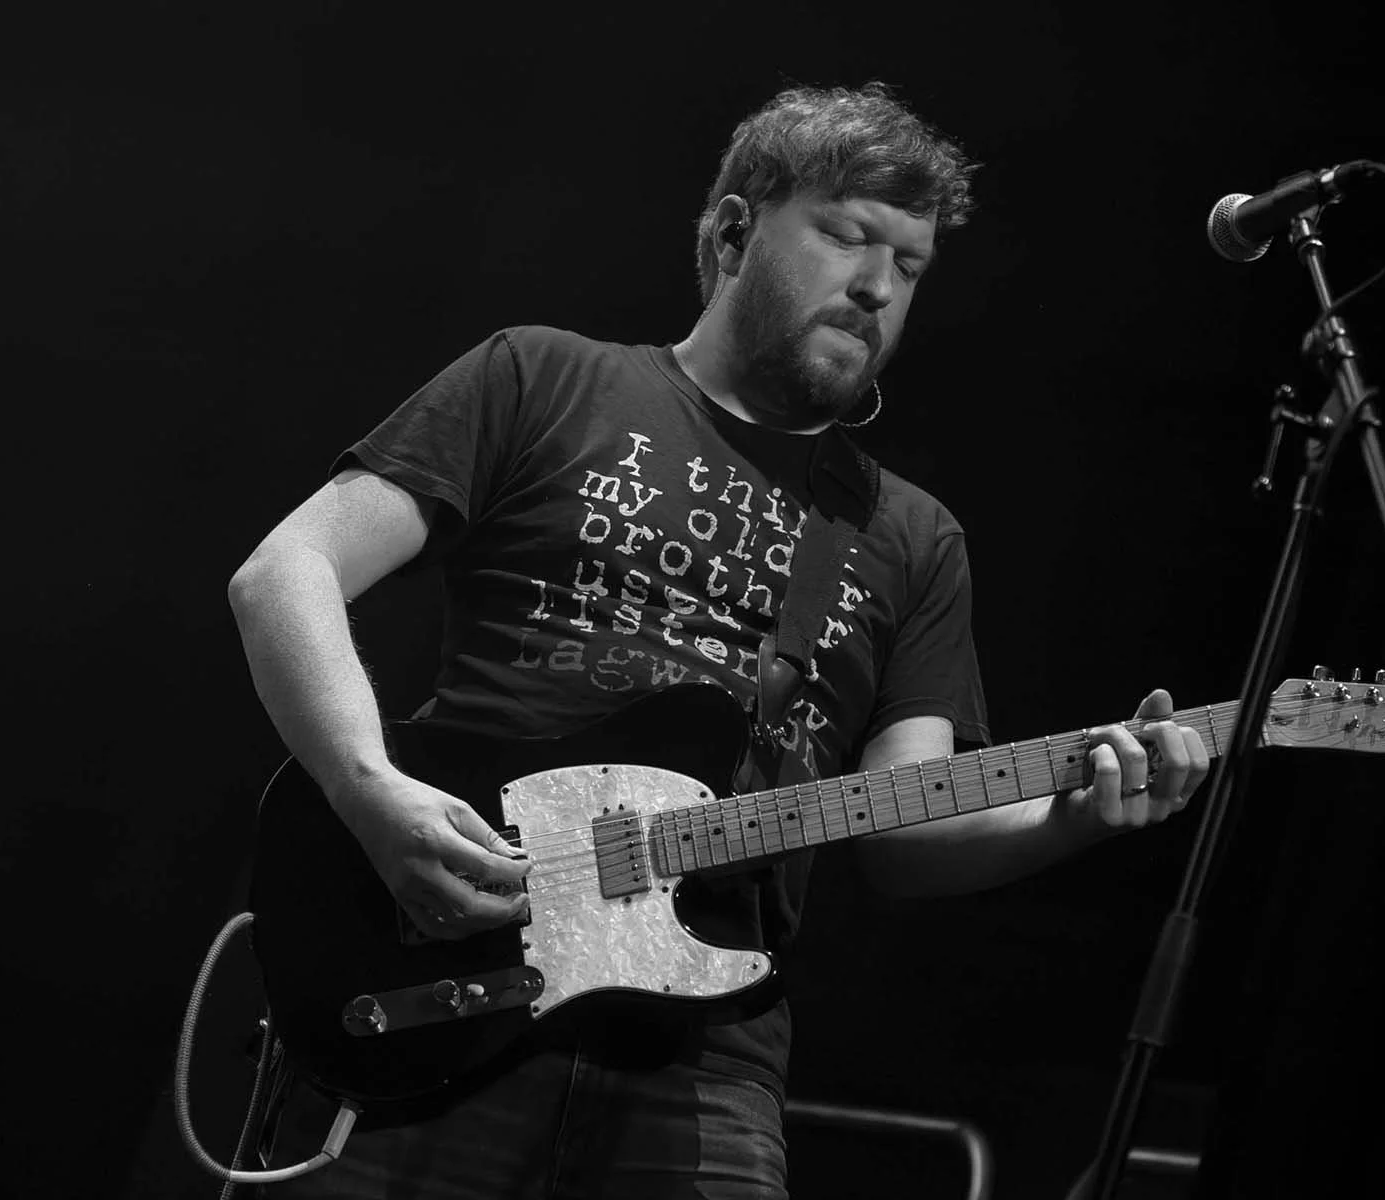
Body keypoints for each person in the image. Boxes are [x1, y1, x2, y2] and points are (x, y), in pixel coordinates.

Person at [228, 81, 1210, 1199]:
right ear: (735, 232)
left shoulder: (909, 534)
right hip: (435, 971)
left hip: (710, 1054)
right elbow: (287, 572)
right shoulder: (544, 377)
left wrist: (1079, 810)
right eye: (846, 236)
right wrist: (368, 791)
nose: (878, 287)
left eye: (911, 264)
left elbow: (907, 824)